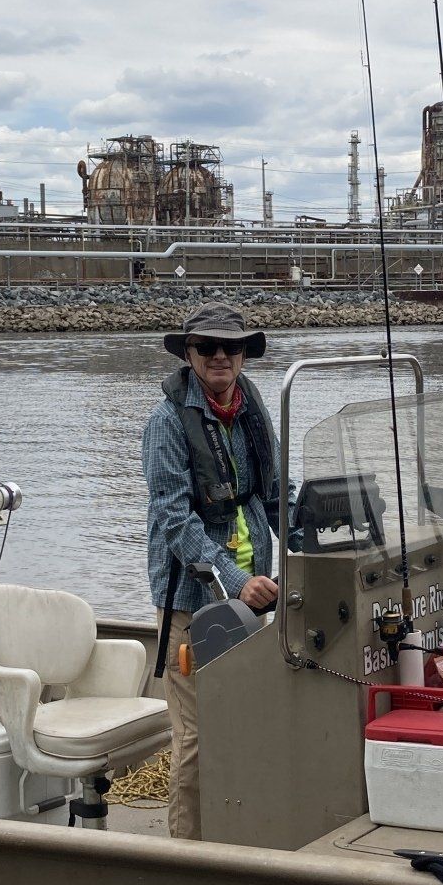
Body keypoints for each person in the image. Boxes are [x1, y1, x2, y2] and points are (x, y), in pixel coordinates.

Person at [142, 301, 280, 840]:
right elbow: (175, 522)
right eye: (207, 347)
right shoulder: (166, 421)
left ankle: (238, 835)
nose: (220, 356)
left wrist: (319, 536)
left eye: (232, 346)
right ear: (190, 355)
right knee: (198, 740)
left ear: (244, 354)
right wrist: (235, 578)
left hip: (252, 602)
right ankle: (187, 855)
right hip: (194, 606)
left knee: (244, 727)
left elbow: (274, 493)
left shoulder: (252, 409)